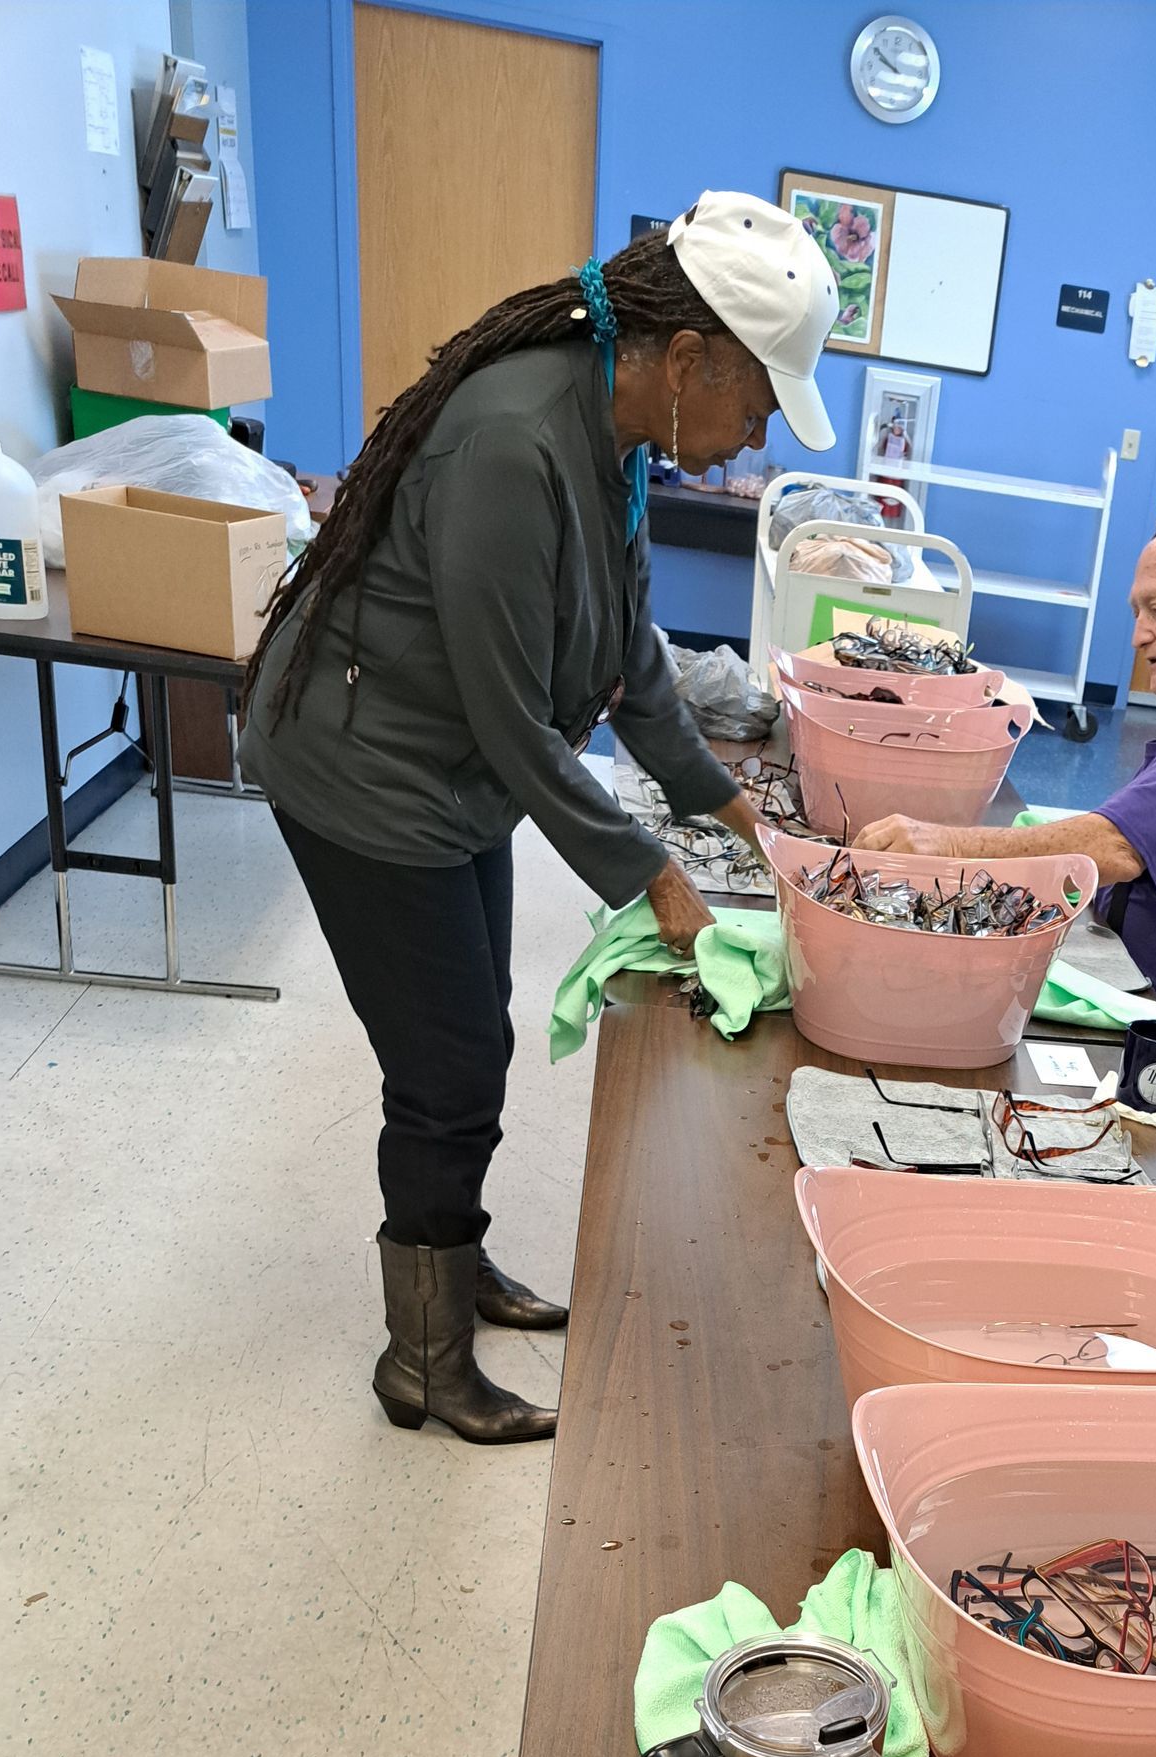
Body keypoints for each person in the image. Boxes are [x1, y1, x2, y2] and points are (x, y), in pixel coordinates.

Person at [241, 192, 837, 1445]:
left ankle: (453, 1264)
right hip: (363, 767)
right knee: (448, 1061)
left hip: (451, 768)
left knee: (477, 1037)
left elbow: (633, 669)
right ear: (686, 359)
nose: (752, 438)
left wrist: (746, 825)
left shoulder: (618, 446)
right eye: (757, 402)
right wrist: (659, 880)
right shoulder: (513, 441)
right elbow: (518, 721)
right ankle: (423, 1358)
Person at [854, 499, 1156, 1095]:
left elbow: (1117, 847)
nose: (1138, 635)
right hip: (1147, 976)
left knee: (1018, 1071)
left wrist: (945, 844)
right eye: (1137, 612)